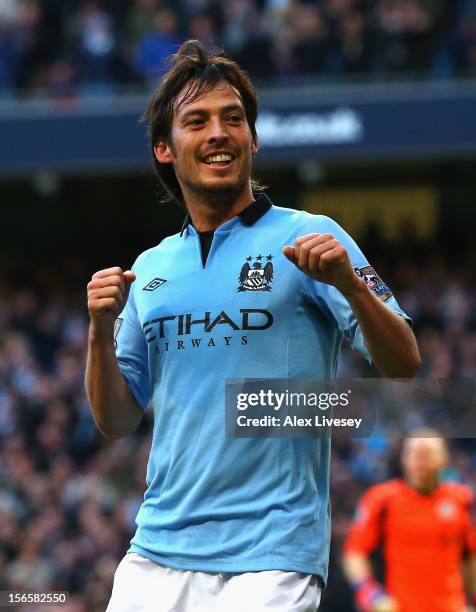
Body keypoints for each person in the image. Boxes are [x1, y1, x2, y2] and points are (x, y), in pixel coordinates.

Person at [85, 39, 420, 612]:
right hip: (158, 552)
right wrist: (98, 330)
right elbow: (117, 420)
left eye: (233, 119)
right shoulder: (150, 268)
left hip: (271, 557)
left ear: (253, 140)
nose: (218, 132)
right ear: (165, 149)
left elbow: (404, 361)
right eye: (197, 121)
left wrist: (349, 284)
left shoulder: (314, 236)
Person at [343, 431, 476, 612]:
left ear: (444, 460)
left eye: (426, 454)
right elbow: (355, 552)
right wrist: (370, 593)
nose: (419, 461)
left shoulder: (462, 499)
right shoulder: (382, 499)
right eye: (413, 454)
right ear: (403, 458)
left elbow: (471, 557)